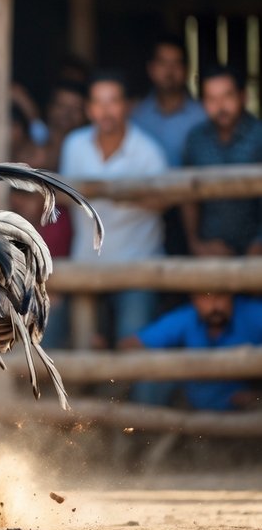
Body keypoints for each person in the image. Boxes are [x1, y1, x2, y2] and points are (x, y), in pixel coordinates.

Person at [56, 71, 169, 363]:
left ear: (127, 106)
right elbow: (64, 198)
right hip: (87, 264)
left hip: (136, 267)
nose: (105, 110)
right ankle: (77, 409)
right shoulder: (75, 145)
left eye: (113, 102)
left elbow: (163, 203)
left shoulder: (149, 152)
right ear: (89, 108)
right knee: (80, 350)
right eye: (98, 102)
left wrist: (110, 192)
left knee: (131, 353)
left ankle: (139, 410)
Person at [120, 293, 262, 411]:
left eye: (220, 296)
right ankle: (147, 431)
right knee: (151, 382)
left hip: (243, 402)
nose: (214, 306)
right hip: (195, 401)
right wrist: (175, 366)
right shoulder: (186, 317)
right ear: (194, 300)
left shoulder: (252, 314)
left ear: (231, 296)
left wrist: (256, 394)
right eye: (205, 297)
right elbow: (130, 345)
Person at [180, 65, 262, 257]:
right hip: (212, 245)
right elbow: (186, 196)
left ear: (242, 97)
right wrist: (196, 244)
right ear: (203, 103)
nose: (221, 106)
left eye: (227, 96)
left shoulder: (259, 135)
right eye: (212, 99)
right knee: (204, 285)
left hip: (257, 244)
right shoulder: (196, 139)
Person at [131, 37, 206, 167]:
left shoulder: (202, 116)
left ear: (186, 70)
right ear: (151, 69)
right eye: (163, 63)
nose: (169, 71)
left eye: (176, 63)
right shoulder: (136, 115)